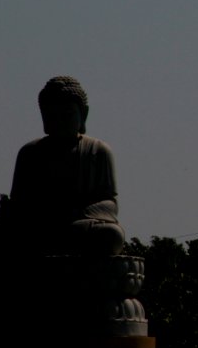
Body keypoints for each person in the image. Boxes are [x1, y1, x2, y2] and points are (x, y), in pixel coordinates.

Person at [10, 76, 125, 256]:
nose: (61, 121)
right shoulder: (30, 153)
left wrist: (76, 213)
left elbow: (110, 203)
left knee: (112, 235)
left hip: (81, 227)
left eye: (68, 114)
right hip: (42, 229)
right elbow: (19, 205)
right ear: (44, 118)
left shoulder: (98, 150)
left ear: (83, 114)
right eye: (53, 116)